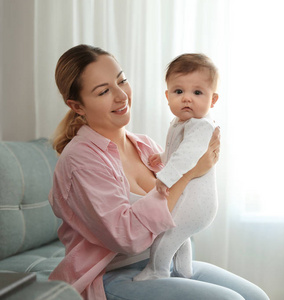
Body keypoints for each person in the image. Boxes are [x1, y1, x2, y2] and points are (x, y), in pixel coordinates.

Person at [48, 44, 269, 300]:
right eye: (104, 91)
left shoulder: (144, 145)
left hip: (160, 262)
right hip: (112, 274)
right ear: (77, 106)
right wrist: (191, 172)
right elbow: (126, 237)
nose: (121, 96)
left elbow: (182, 207)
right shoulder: (81, 161)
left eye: (122, 81)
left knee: (257, 297)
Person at [133, 54, 219, 281]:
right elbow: (179, 151)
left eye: (197, 92)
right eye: (179, 92)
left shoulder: (201, 125)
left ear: (213, 100)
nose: (187, 99)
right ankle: (183, 272)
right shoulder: (181, 122)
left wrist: (165, 177)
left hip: (198, 202)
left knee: (168, 234)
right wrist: (162, 156)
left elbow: (188, 155)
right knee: (180, 236)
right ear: (167, 96)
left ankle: (157, 270)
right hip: (190, 200)